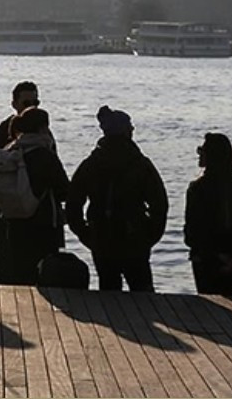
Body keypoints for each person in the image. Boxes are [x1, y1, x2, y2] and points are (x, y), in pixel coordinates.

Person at [66, 106, 167, 292]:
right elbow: (159, 205)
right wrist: (149, 236)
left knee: (109, 294)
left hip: (102, 237)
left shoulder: (91, 164)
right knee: (144, 295)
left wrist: (86, 234)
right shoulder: (141, 165)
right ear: (126, 132)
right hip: (134, 238)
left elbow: (73, 204)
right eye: (131, 127)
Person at [0, 107, 69, 285]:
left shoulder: (10, 151)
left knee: (20, 271)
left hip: (13, 221)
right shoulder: (43, 154)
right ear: (43, 128)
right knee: (44, 273)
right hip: (43, 223)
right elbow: (63, 188)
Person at [184, 132, 232, 296]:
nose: (198, 155)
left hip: (206, 261)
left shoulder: (198, 188)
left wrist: (213, 255)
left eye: (201, 151)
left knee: (208, 308)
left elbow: (195, 229)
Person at [0, 81, 41, 284]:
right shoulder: (0, 133)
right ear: (14, 103)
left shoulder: (43, 133)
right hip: (5, 204)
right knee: (5, 258)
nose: (31, 106)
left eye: (35, 101)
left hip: (32, 204)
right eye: (26, 101)